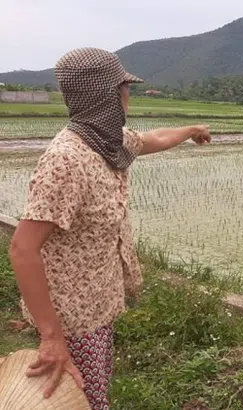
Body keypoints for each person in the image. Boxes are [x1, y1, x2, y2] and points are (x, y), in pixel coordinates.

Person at [8, 47, 211, 409]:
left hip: (98, 307)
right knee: (77, 401)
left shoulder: (106, 141)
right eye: (124, 88)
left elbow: (154, 139)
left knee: (92, 395)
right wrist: (52, 337)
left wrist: (191, 129)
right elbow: (23, 249)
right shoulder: (66, 160)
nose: (127, 96)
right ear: (106, 94)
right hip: (71, 320)